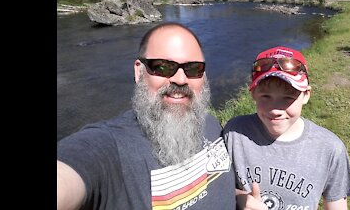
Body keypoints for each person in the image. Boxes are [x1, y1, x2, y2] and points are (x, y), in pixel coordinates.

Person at [57, 22, 236, 210]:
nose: (180, 79)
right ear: (139, 71)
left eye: (193, 69)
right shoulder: (108, 146)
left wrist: (240, 198)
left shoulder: (210, 123)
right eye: (163, 67)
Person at [223, 46, 350, 210]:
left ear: (306, 95)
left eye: (288, 97)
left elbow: (337, 205)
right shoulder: (234, 133)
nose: (275, 109)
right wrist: (238, 198)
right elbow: (214, 187)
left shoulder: (330, 148)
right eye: (266, 96)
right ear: (253, 93)